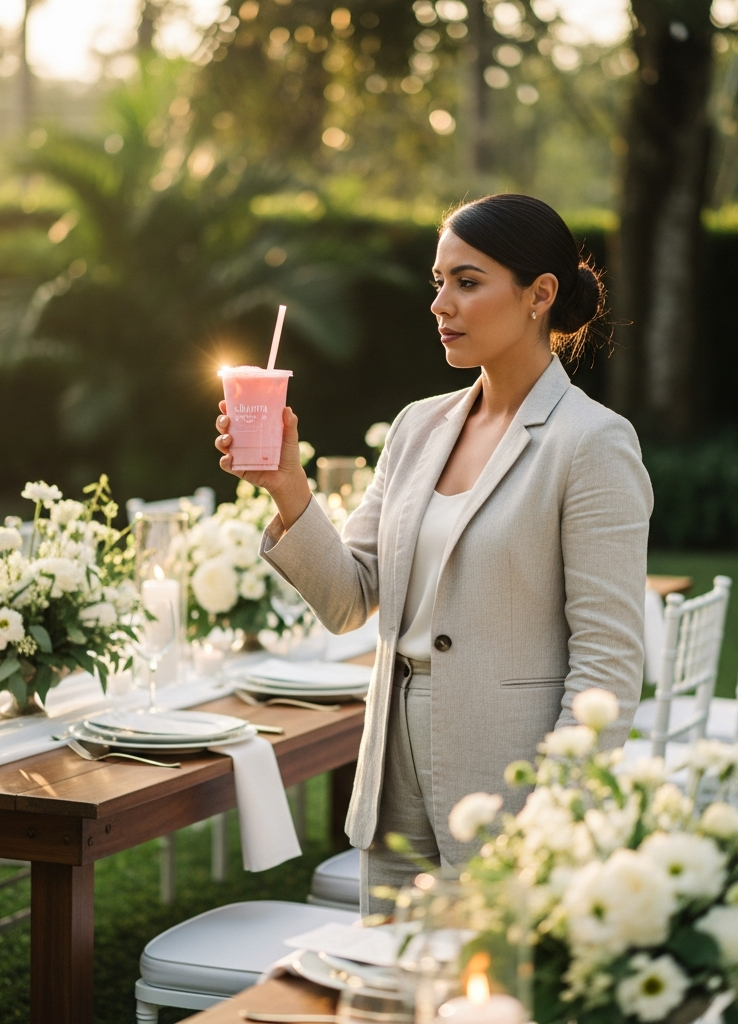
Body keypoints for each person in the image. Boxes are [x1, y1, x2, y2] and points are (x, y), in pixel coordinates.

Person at [213, 194, 651, 913]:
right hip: (392, 772)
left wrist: (553, 812)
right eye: (438, 282)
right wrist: (288, 488)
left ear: (539, 295)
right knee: (390, 985)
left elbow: (607, 665)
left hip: (510, 780)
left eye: (467, 282)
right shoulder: (418, 427)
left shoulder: (592, 443)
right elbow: (349, 598)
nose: (440, 303)